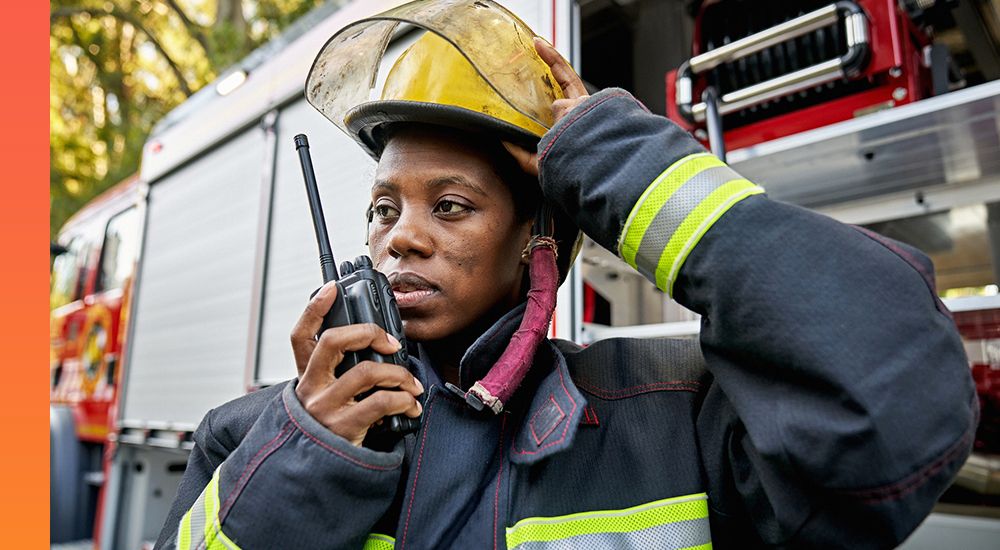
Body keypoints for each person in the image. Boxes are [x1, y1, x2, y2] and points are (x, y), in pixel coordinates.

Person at [156, 2, 976, 548]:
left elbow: (892, 395)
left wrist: (618, 163)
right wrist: (307, 455)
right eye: (382, 210)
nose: (399, 240)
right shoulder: (251, 435)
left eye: (449, 206)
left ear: (536, 241)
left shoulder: (673, 419)